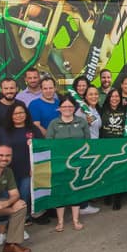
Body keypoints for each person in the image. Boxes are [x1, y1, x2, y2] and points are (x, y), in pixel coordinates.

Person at [0, 102, 47, 232]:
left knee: (23, 197)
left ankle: (19, 226)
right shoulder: (2, 131)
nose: (18, 116)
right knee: (5, 197)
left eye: (21, 112)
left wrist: (37, 167)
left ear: (26, 114)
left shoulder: (33, 129)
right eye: (15, 113)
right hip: (6, 172)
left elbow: (42, 150)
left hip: (28, 171)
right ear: (10, 115)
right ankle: (2, 226)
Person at [46, 96, 89, 231]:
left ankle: (76, 220)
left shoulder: (82, 122)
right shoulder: (54, 123)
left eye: (70, 106)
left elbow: (88, 142)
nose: (67, 109)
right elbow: (47, 143)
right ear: (59, 108)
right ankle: (60, 221)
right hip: (59, 163)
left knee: (75, 189)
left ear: (74, 108)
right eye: (64, 106)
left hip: (77, 162)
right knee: (61, 190)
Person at [99, 88, 127, 210]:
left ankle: (117, 198)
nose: (115, 98)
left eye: (117, 96)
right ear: (108, 98)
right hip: (106, 145)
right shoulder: (102, 110)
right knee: (106, 170)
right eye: (112, 96)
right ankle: (107, 194)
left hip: (120, 145)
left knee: (118, 171)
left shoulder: (125, 110)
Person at [0, 78, 27, 145]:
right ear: (1, 90)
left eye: (11, 88)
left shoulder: (21, 104)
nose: (9, 91)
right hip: (4, 151)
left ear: (17, 89)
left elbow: (27, 126)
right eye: (6, 88)